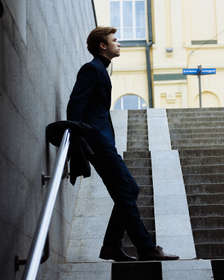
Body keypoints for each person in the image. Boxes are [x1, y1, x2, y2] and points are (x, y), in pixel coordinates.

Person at [67, 26, 179, 261]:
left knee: (127, 191)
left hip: (102, 141)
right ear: (102, 45)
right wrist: (81, 141)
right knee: (128, 189)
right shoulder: (91, 69)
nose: (119, 44)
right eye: (114, 40)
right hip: (97, 142)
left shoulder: (101, 70)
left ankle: (112, 246)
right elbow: (75, 106)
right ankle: (146, 248)